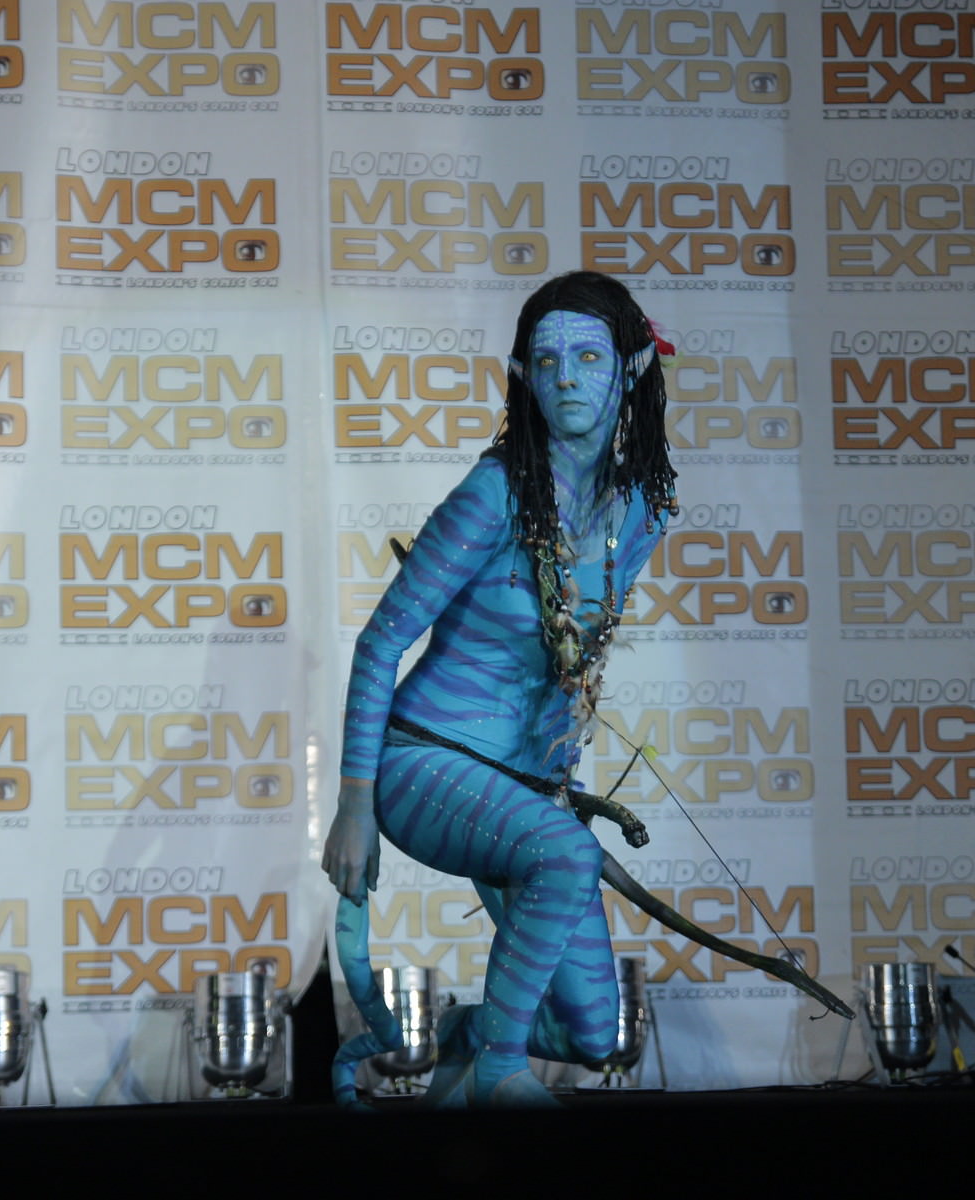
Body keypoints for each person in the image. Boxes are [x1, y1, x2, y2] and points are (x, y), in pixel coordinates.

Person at [322, 271, 678, 1107]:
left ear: (630, 368)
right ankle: (499, 1069)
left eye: (588, 357)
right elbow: (379, 644)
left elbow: (573, 661)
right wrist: (354, 805)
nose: (566, 378)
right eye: (546, 361)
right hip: (420, 765)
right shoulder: (495, 494)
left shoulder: (642, 512)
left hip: (523, 786)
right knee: (566, 855)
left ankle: (461, 1045)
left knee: (592, 1034)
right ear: (522, 377)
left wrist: (556, 790)